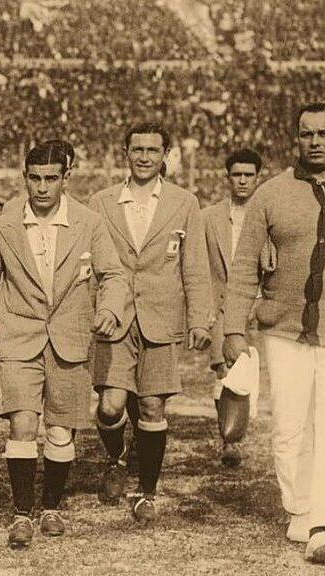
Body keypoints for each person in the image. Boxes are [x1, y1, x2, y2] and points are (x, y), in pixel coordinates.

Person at [0, 141, 127, 548]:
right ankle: (21, 514)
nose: (41, 187)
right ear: (25, 177)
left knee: (58, 432)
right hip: (20, 340)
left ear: (66, 178)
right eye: (34, 178)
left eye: (51, 178)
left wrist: (110, 309)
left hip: (71, 339)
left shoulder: (89, 223)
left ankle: (50, 505)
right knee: (22, 424)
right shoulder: (4, 226)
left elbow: (115, 276)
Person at [89, 123, 211, 524]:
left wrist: (199, 319)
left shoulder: (184, 202)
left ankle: (146, 492)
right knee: (110, 407)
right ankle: (117, 457)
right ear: (125, 152)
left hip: (161, 316)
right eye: (136, 149)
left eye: (152, 150)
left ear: (165, 156)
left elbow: (194, 266)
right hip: (116, 316)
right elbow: (90, 266)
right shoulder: (102, 201)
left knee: (152, 404)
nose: (144, 157)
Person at [223, 102, 325, 565]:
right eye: (307, 134)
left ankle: (320, 520)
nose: (316, 141)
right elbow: (243, 268)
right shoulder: (270, 195)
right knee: (288, 426)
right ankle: (299, 507)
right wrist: (233, 330)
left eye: (323, 133)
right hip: (283, 329)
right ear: (296, 138)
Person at [202, 148, 269, 467]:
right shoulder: (209, 217)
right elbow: (198, 267)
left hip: (263, 304)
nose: (242, 180)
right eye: (236, 175)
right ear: (227, 178)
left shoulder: (269, 213)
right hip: (223, 305)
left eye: (248, 175)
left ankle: (242, 430)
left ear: (259, 177)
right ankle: (229, 441)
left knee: (255, 373)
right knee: (224, 368)